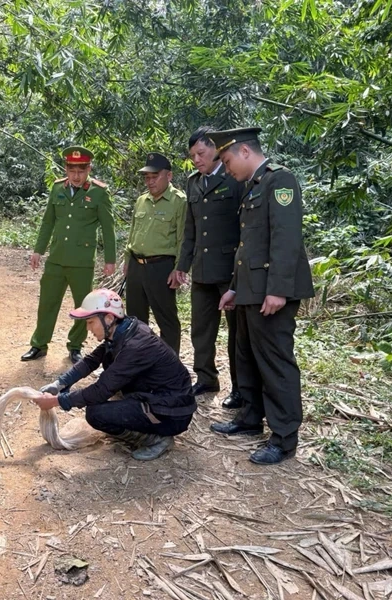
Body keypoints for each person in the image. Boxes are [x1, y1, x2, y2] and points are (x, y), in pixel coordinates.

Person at [207, 127, 314, 465]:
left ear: (243, 151)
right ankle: (250, 419)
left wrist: (278, 290)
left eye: (226, 161)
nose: (226, 170)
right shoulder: (252, 186)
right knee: (248, 356)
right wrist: (236, 288)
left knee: (275, 363)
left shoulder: (279, 181)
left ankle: (283, 439)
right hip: (251, 291)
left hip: (271, 292)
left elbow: (285, 238)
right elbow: (249, 246)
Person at [32, 289, 197, 461]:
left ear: (109, 318)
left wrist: (56, 401)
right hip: (161, 397)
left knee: (96, 414)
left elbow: (100, 391)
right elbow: (91, 360)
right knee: (111, 383)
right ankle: (143, 418)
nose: (88, 329)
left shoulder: (136, 346)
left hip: (171, 413)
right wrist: (60, 383)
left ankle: (157, 439)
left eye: (90, 322)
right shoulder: (125, 331)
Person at [22, 146, 116, 364]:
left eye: (81, 171)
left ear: (89, 169)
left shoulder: (99, 193)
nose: (76, 175)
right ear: (66, 168)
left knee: (83, 306)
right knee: (47, 302)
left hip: (82, 261)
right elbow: (48, 222)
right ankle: (39, 344)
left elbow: (108, 228)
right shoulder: (57, 189)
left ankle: (75, 346)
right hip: (56, 258)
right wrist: (38, 250)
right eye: (72, 170)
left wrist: (110, 260)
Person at [178, 127, 244, 409]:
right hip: (202, 270)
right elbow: (190, 229)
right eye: (192, 156)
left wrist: (242, 274)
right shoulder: (193, 183)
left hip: (230, 271)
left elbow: (245, 229)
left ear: (216, 149)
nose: (196, 160)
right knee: (201, 329)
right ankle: (206, 377)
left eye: (201, 153)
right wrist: (183, 264)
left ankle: (240, 387)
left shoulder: (235, 179)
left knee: (237, 333)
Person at [123, 152, 187, 353]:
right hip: (136, 265)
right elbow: (133, 232)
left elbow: (183, 239)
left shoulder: (179, 201)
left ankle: (168, 369)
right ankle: (138, 365)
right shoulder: (142, 200)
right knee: (134, 321)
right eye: (147, 178)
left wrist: (179, 269)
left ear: (169, 176)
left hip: (161, 267)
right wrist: (127, 260)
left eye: (155, 176)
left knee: (166, 320)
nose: (150, 182)